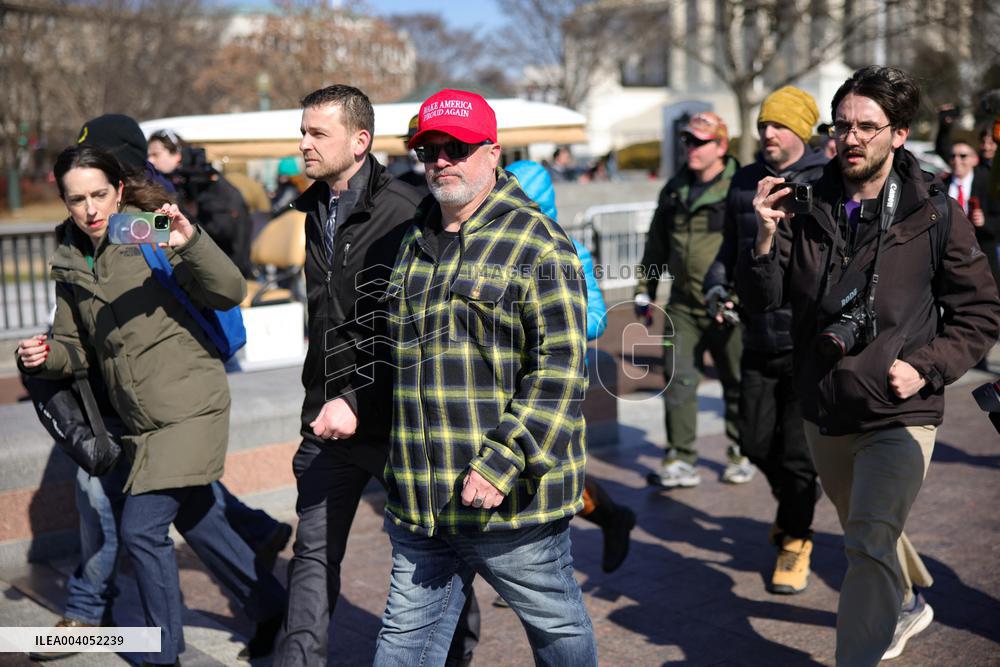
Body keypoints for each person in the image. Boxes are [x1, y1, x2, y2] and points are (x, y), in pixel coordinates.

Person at [738, 65, 1000, 665]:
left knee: (866, 540)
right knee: (866, 523)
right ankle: (909, 598)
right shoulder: (804, 198)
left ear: (900, 133)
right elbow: (763, 301)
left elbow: (982, 311)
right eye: (842, 125)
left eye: (867, 127)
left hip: (901, 406)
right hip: (826, 403)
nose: (850, 138)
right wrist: (762, 240)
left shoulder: (933, 212)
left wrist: (927, 366)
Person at [25, 116, 291, 663]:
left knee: (142, 528)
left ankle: (159, 655)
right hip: (140, 418)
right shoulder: (72, 255)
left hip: (190, 407)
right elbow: (77, 347)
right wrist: (46, 354)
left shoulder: (141, 229)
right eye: (77, 200)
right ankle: (273, 607)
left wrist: (191, 241)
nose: (91, 210)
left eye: (99, 195)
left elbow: (228, 288)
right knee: (201, 519)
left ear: (119, 188)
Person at [373, 88, 597, 665]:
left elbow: (561, 373)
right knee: (403, 643)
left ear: (492, 152)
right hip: (422, 503)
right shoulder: (412, 241)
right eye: (429, 150)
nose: (441, 160)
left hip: (510, 503)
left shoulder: (538, 243)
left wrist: (500, 463)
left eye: (457, 147)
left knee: (558, 631)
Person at [274, 85, 479, 667]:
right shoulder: (314, 206)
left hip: (395, 422)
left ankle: (455, 654)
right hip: (325, 418)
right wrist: (325, 397)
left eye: (318, 134)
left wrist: (359, 400)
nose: (303, 144)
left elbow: (419, 327)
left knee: (432, 556)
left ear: (359, 142)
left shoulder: (408, 211)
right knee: (312, 552)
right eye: (303, 131)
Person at [703, 86, 828, 595]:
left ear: (801, 129)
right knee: (753, 441)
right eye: (762, 126)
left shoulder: (828, 180)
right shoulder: (745, 182)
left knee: (798, 454)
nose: (768, 134)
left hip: (808, 341)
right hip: (757, 333)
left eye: (778, 125)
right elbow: (730, 247)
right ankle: (795, 502)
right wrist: (717, 284)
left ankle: (796, 539)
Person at [506, 159, 637, 574]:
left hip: (553, 380)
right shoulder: (492, 247)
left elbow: (597, 318)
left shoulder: (570, 252)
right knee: (521, 470)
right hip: (501, 381)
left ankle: (604, 520)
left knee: (544, 472)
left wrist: (549, 322)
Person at [635, 111, 749, 488]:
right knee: (677, 379)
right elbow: (656, 244)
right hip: (682, 304)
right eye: (687, 141)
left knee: (736, 380)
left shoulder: (741, 186)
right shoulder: (673, 190)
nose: (691, 148)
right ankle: (681, 458)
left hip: (728, 303)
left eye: (700, 142)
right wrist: (644, 289)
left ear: (721, 146)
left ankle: (741, 451)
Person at [147, 129, 254, 277]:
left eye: (156, 154)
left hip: (226, 270)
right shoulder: (176, 185)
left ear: (177, 154)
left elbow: (227, 233)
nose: (151, 160)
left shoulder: (207, 185)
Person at [940, 140, 1000, 290]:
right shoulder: (940, 185)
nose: (957, 160)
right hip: (947, 261)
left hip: (981, 257)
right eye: (953, 156)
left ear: (975, 160)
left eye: (963, 156)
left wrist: (984, 222)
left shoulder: (987, 184)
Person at [934, 103, 996, 169]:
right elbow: (944, 149)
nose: (986, 147)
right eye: (983, 142)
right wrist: (945, 125)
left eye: (991, 143)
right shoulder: (974, 166)